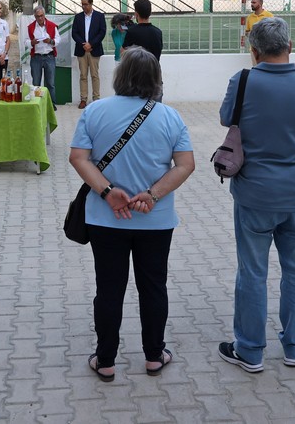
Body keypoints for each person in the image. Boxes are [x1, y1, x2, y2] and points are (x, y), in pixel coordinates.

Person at [69, 47, 195, 382]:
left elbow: (78, 157)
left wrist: (108, 193)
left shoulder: (95, 111)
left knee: (109, 288)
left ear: (119, 76)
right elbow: (186, 165)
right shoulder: (170, 117)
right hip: (155, 220)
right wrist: (153, 195)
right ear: (156, 79)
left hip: (105, 219)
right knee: (153, 287)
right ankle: (154, 355)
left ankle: (106, 359)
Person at [216, 18, 295, 373]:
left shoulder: (243, 80)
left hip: (255, 194)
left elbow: (225, 119)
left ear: (254, 50)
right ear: (290, 46)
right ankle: (294, 344)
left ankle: (250, 350)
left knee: (252, 273)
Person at [72, 0, 107, 109]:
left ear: (91, 4)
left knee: (94, 75)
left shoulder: (99, 16)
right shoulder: (78, 17)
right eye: (82, 4)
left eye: (86, 4)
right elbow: (74, 33)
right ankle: (83, 99)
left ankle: (96, 99)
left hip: (94, 49)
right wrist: (84, 44)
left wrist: (91, 44)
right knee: (83, 75)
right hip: (82, 50)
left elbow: (102, 32)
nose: (84, 7)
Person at [24, 6, 61, 105]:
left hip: (49, 56)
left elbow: (58, 40)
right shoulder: (30, 27)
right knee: (36, 83)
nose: (40, 18)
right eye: (38, 16)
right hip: (36, 57)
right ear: (34, 16)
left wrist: (51, 41)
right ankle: (37, 104)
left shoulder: (52, 26)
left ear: (44, 15)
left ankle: (52, 104)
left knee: (50, 83)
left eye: (42, 16)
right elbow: (25, 41)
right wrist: (31, 42)